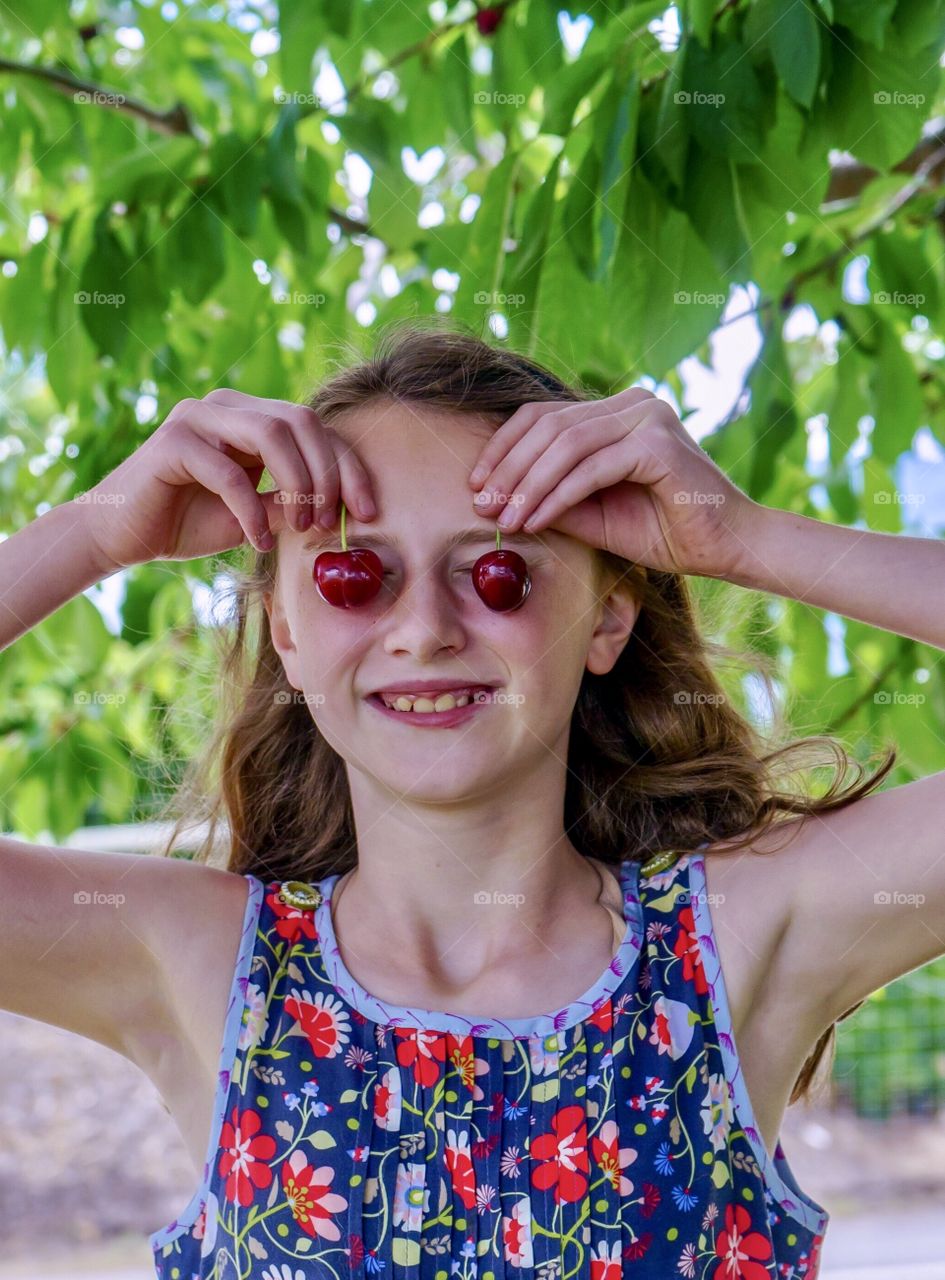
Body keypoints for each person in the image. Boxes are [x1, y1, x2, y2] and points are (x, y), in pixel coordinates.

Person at [2, 320, 943, 1280]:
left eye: (496, 572)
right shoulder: (200, 960)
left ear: (605, 617)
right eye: (352, 572)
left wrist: (743, 537)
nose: (423, 630)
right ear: (284, 631)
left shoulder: (739, 941)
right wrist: (95, 528)